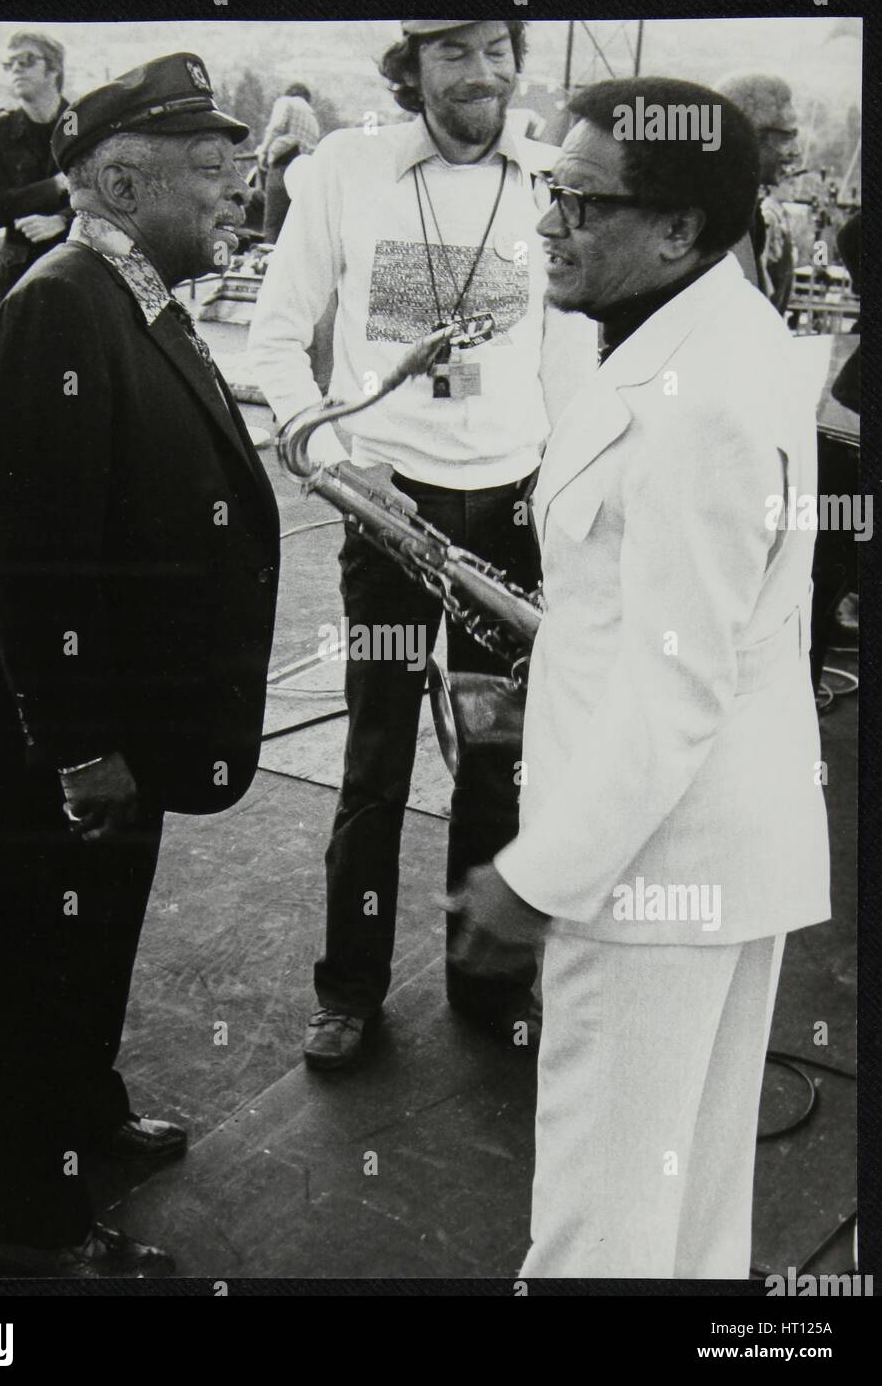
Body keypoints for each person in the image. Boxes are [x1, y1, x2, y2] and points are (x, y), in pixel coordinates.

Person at [451, 77, 831, 1278]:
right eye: (548, 192)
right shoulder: (714, 336)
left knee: (600, 1233)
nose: (547, 226)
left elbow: (674, 691)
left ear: (677, 230)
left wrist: (537, 878)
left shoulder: (695, 400)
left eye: (580, 201)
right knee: (688, 1223)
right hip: (717, 854)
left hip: (651, 870)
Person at [0, 52, 280, 1278]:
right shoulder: (63, 299)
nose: (238, 196)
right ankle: (27, 1234)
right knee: (31, 977)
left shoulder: (132, 292)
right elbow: (30, 553)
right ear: (121, 178)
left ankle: (82, 1123)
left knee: (88, 947)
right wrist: (79, 748)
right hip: (45, 737)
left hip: (98, 728)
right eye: (214, 176)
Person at [249, 18, 596, 1069]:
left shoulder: (552, 178)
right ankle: (349, 988)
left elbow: (579, 354)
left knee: (497, 760)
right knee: (376, 759)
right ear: (411, 69)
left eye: (497, 47)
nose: (483, 71)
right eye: (454, 52)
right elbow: (275, 336)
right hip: (388, 514)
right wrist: (324, 453)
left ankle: (487, 984)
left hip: (514, 516)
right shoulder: (347, 170)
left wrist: (572, 496)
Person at [0, 30, 72, 302]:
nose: (16, 69)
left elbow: (102, 197)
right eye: (10, 64)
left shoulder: (80, 123)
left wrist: (61, 220)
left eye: (28, 60)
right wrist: (55, 185)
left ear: (53, 69)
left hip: (75, 264)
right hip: (18, 271)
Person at [717, 72, 800, 313]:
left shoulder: (749, 208)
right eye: (786, 138)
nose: (796, 152)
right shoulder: (725, 211)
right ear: (750, 137)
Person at [255, 82, 321, 242]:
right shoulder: (312, 117)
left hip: (283, 164)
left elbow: (276, 127)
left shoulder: (286, 102)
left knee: (273, 223)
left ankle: (266, 260)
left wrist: (263, 151)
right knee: (294, 225)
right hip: (305, 170)